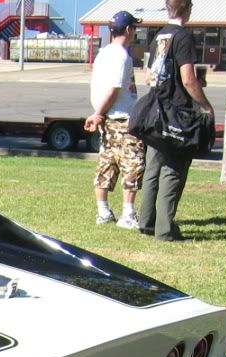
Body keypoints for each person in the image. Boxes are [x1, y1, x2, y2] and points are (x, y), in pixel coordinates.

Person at [137, 0, 215, 241]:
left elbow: (148, 76)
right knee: (173, 169)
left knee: (153, 167)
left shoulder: (160, 36)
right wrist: (205, 105)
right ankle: (165, 229)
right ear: (188, 8)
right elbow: (188, 79)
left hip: (156, 111)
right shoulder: (183, 37)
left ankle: (146, 222)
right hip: (177, 114)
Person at [84, 11, 146, 229]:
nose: (134, 32)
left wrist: (99, 113)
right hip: (121, 118)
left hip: (108, 118)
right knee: (133, 163)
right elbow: (114, 88)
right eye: (134, 28)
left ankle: (103, 211)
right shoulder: (121, 56)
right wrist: (98, 113)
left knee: (107, 163)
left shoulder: (103, 53)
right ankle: (128, 214)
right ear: (128, 29)